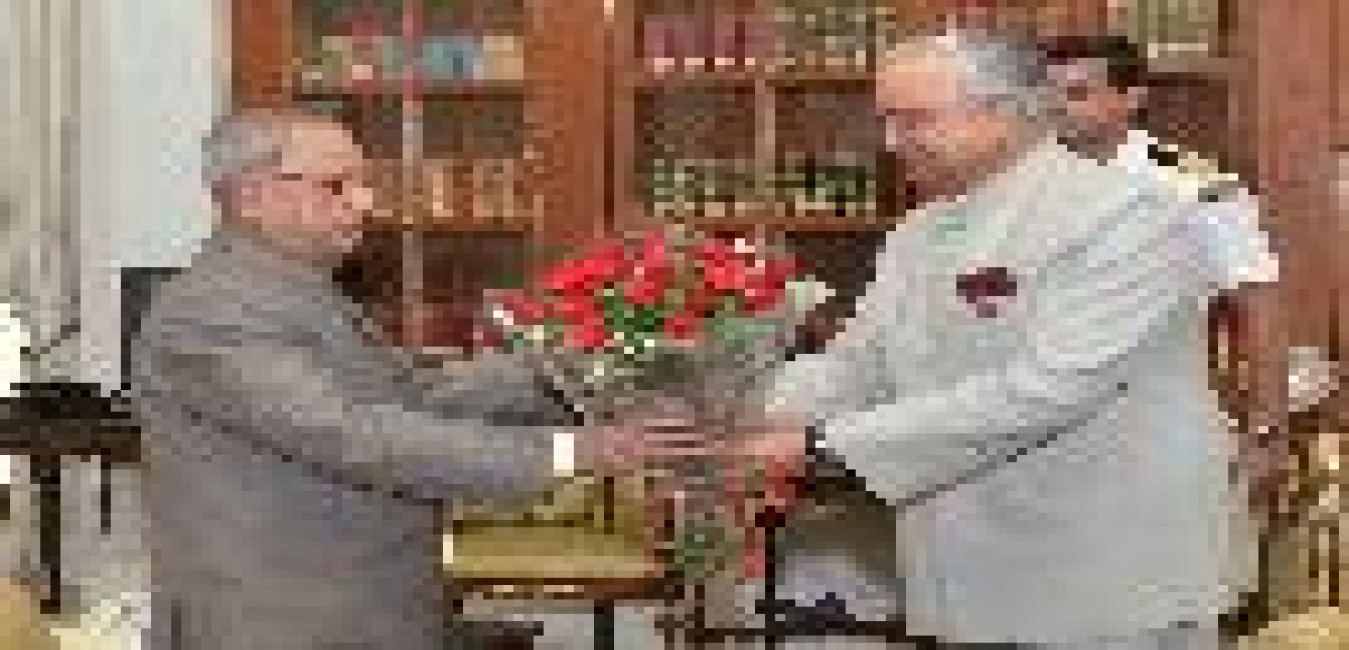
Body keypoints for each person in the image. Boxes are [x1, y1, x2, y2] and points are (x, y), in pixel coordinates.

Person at [748, 28, 1260, 649]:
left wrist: (821, 448)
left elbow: (1048, 389)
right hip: (971, 566)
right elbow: (857, 366)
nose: (891, 142)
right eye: (886, 120)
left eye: (914, 120)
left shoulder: (1127, 214)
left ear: (1005, 113)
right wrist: (725, 414)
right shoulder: (918, 230)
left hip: (1106, 571)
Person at [128, 108, 695, 650]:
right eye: (336, 187)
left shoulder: (291, 289)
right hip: (283, 620)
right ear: (252, 197)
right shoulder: (213, 313)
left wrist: (585, 370)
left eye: (364, 184)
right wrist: (579, 450)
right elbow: (351, 434)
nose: (366, 204)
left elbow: (417, 395)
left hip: (360, 604)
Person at [1041, 34, 1291, 516]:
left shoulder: (1191, 186)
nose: (1056, 109)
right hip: (1043, 429)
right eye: (1046, 95)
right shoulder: (1022, 185)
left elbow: (1259, 301)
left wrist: (1267, 428)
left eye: (1076, 93)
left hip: (1154, 420)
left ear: (1131, 98)